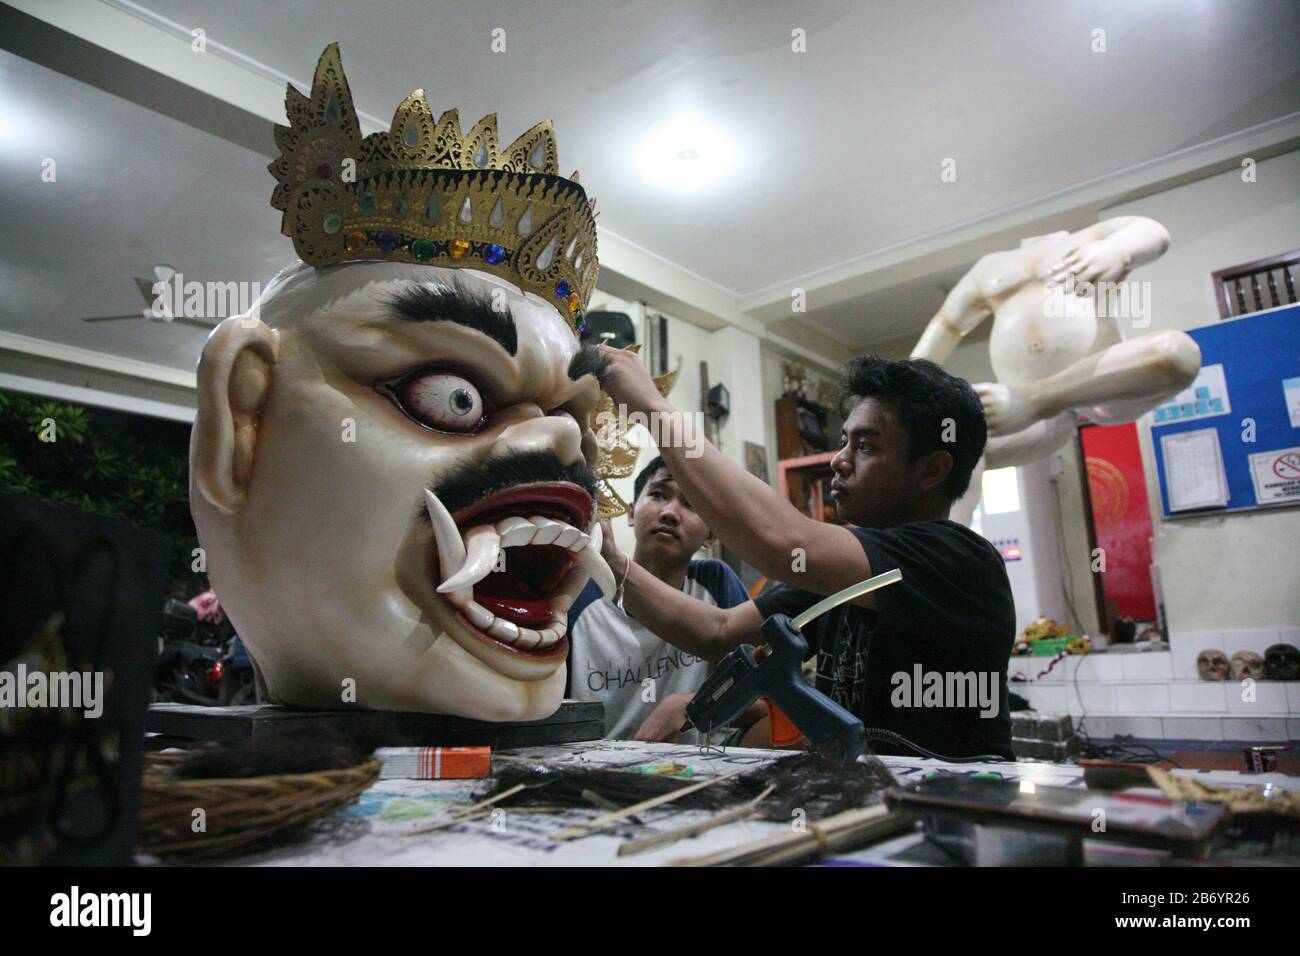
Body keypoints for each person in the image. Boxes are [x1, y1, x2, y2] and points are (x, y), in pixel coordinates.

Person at [594, 352, 1016, 759]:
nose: (838, 461)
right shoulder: (845, 578)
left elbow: (783, 542)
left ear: (931, 470)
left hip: (957, 813)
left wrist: (651, 408)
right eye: (844, 442)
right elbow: (717, 630)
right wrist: (611, 564)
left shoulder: (960, 560)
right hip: (874, 805)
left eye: (865, 447)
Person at [910, 217, 1200, 523]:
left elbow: (1154, 232)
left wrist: (1117, 251)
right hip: (1019, 413)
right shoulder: (990, 266)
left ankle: (1039, 397)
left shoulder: (1093, 236)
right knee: (950, 438)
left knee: (1177, 353)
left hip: (1097, 385)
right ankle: (946, 551)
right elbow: (948, 325)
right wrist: (898, 393)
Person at [566, 456, 749, 740]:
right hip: (593, 775)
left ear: (710, 534)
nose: (670, 513)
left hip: (692, 773)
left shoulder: (715, 583)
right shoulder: (580, 592)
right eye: (658, 494)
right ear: (630, 512)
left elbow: (763, 693)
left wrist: (693, 706)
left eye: (690, 505)